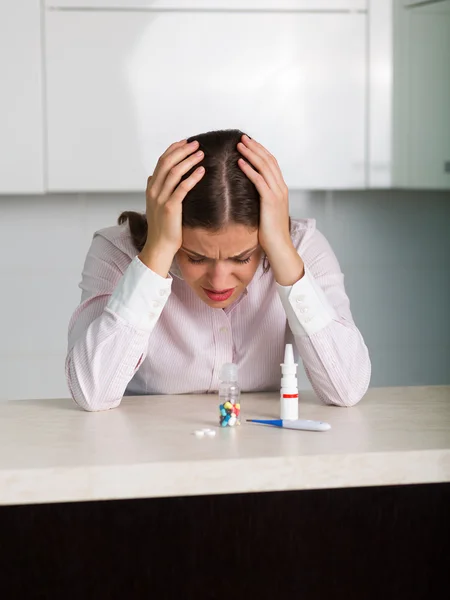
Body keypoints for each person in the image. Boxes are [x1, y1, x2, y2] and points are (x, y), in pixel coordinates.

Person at [66, 129, 371, 412]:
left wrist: (281, 250)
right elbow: (92, 393)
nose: (218, 280)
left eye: (241, 258)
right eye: (196, 258)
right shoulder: (116, 252)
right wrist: (157, 252)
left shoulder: (301, 248)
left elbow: (346, 390)